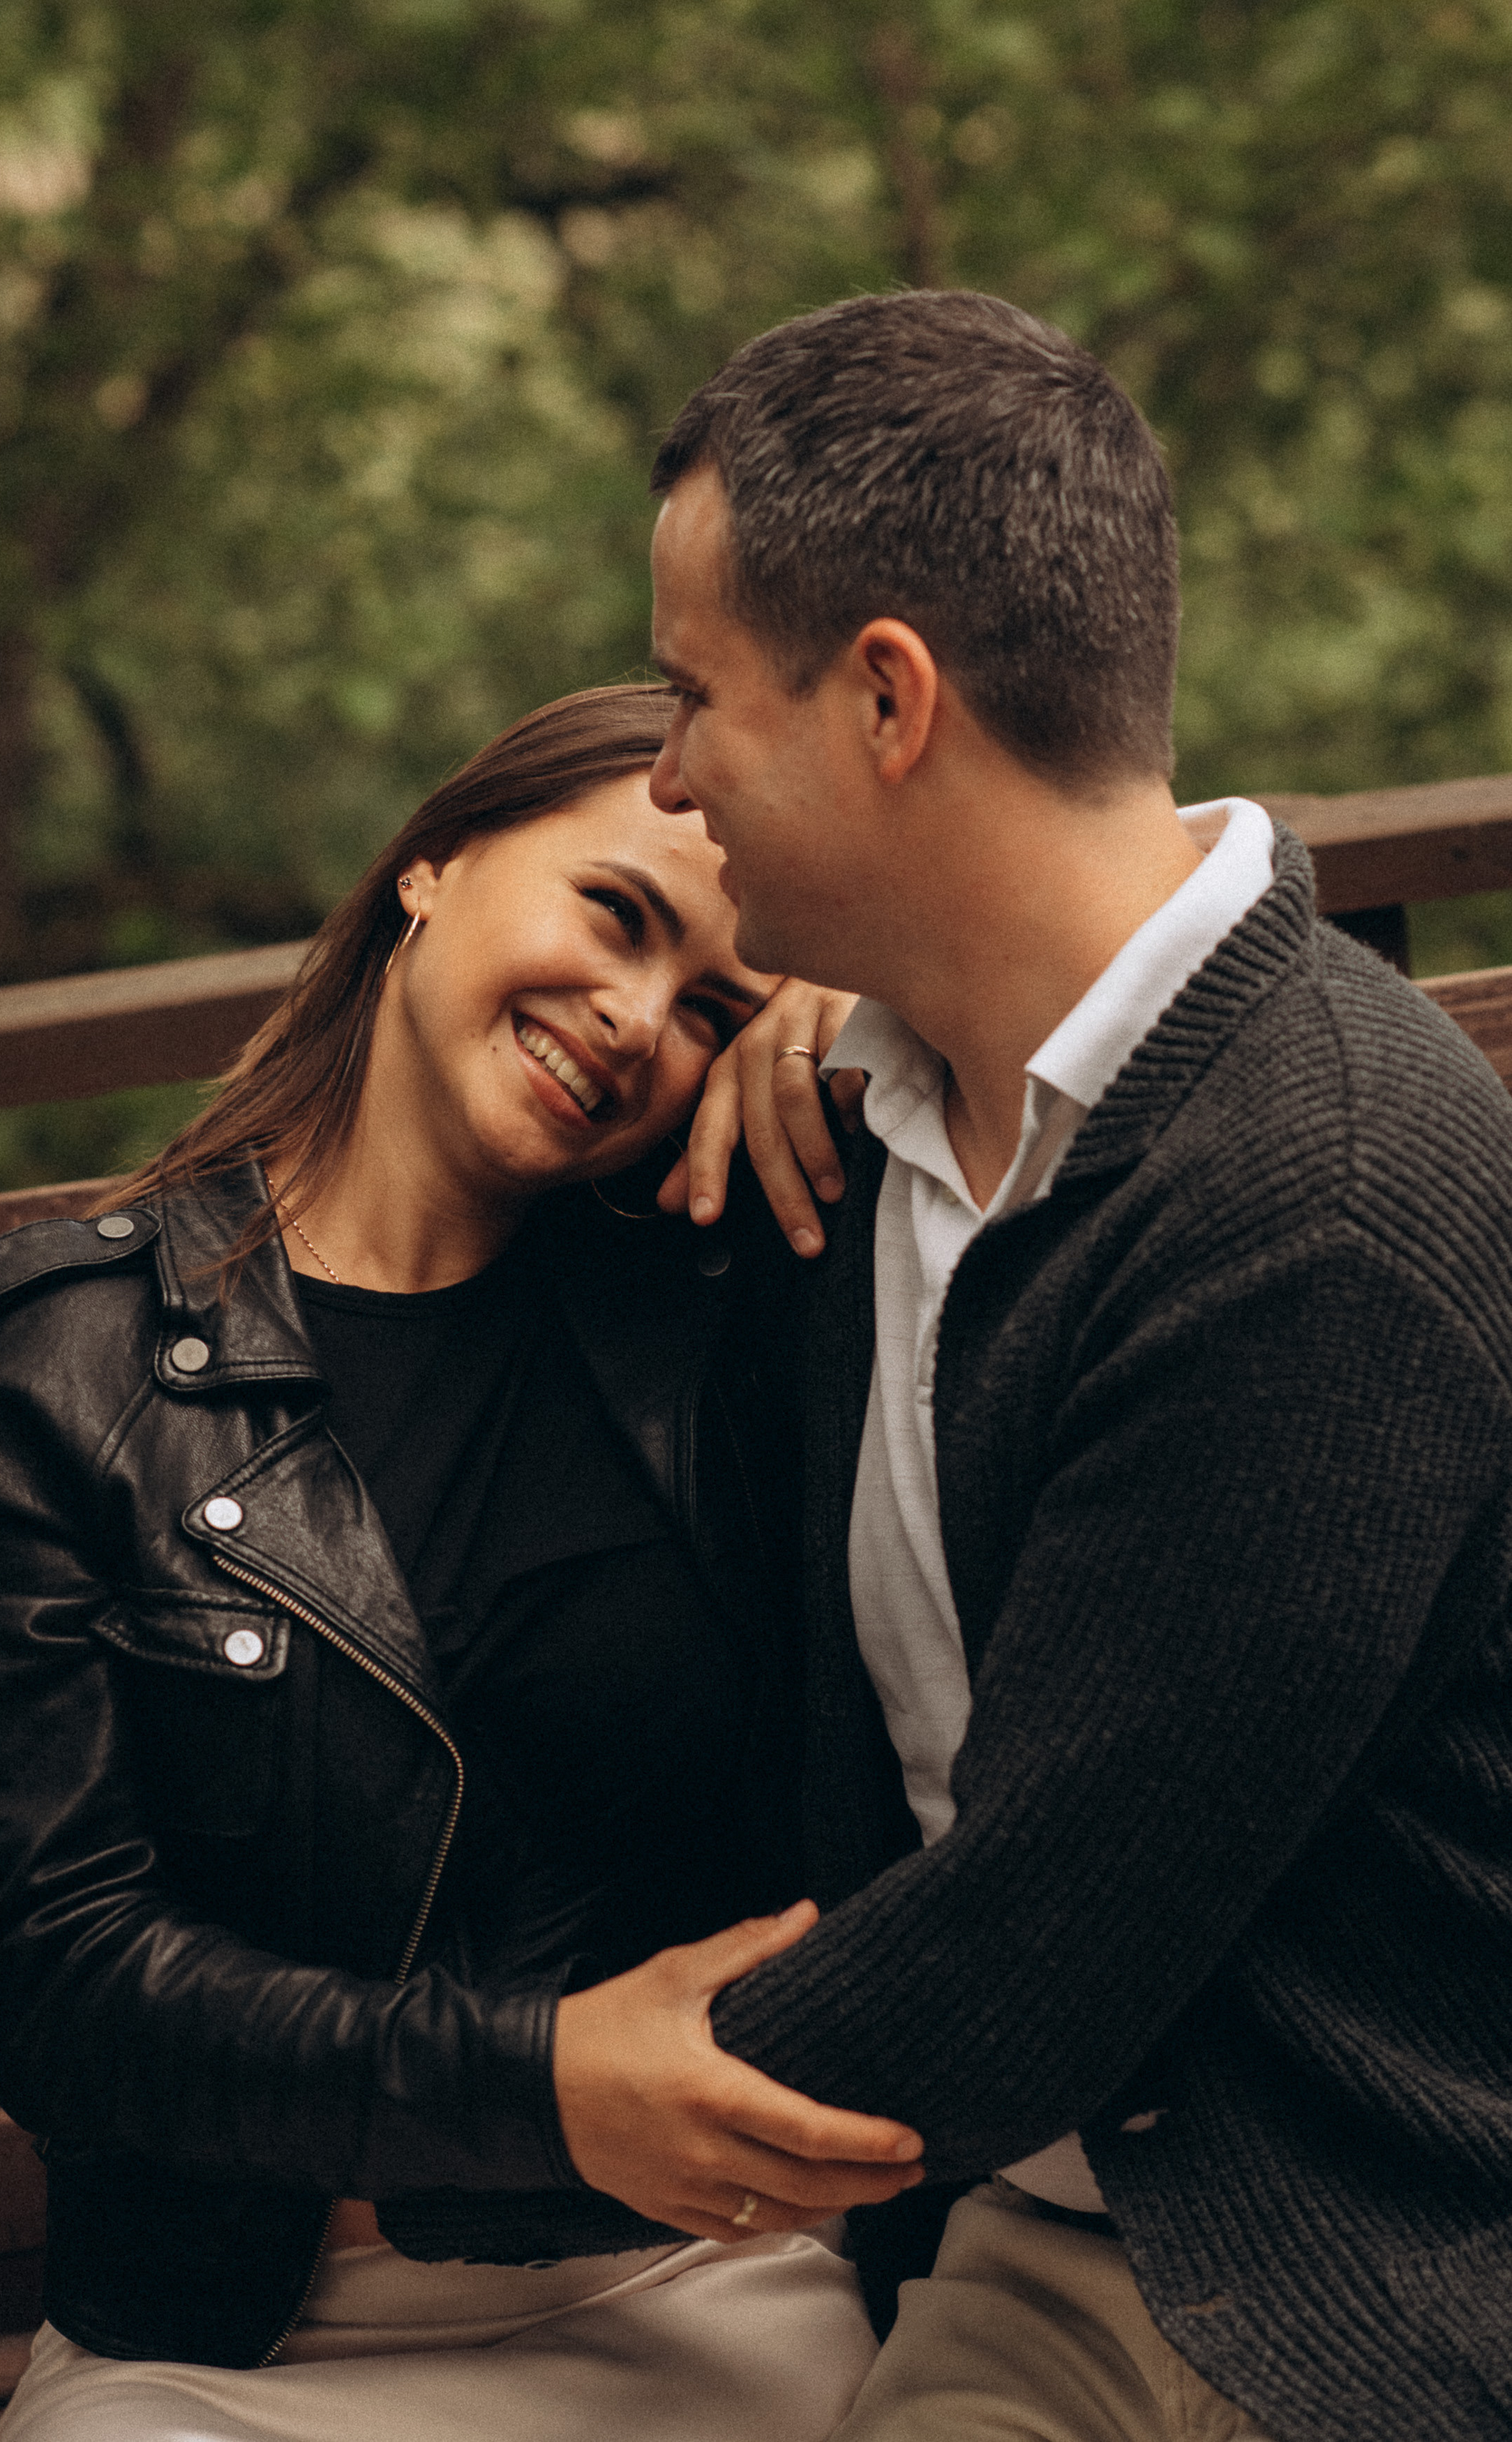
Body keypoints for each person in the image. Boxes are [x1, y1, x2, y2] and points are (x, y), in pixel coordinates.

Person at [622, 290, 1512, 2442]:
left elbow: (1034, 1936)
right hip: (1024, 2225)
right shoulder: (880, 1104)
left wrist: (491, 2115)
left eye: (691, 698)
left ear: (887, 697)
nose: (661, 776)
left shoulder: (1313, 1203)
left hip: (1359, 2255)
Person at [0, 682, 927, 2442]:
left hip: (701, 2278)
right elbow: (57, 1979)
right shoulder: (40, 1381)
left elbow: (1110, 944)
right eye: (618, 912)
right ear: (431, 867)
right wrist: (535, 2082)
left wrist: (883, 1019)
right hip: (232, 2354)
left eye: (713, 1005)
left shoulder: (736, 1302)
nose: (636, 1017)